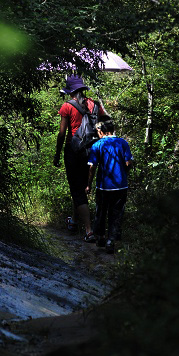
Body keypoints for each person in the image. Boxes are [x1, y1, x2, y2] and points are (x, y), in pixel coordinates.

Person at [53, 75, 107, 242]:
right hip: (91, 149)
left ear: (71, 92)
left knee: (77, 189)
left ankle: (89, 230)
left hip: (73, 150)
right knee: (82, 187)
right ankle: (74, 221)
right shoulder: (94, 105)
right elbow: (104, 124)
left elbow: (62, 134)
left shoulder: (66, 107)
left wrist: (57, 154)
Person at [85, 120, 133, 253]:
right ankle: (111, 240)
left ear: (102, 131)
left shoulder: (97, 145)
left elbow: (92, 167)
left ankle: (100, 237)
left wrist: (88, 185)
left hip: (103, 186)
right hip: (120, 186)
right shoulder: (123, 143)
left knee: (101, 212)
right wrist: (124, 172)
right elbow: (128, 162)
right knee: (116, 213)